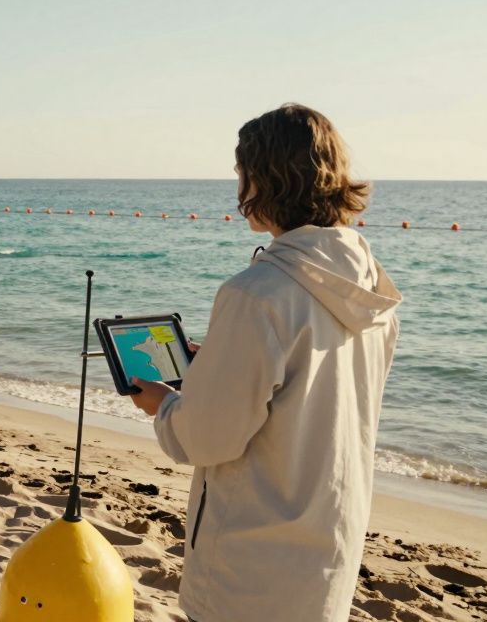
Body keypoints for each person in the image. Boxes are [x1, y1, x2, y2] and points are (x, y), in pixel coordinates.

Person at [129, 104, 401, 622]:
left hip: (251, 558)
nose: (238, 188)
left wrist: (165, 405)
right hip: (330, 544)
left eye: (241, 173)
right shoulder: (369, 287)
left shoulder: (257, 294)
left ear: (265, 178)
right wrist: (224, 366)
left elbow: (209, 437)